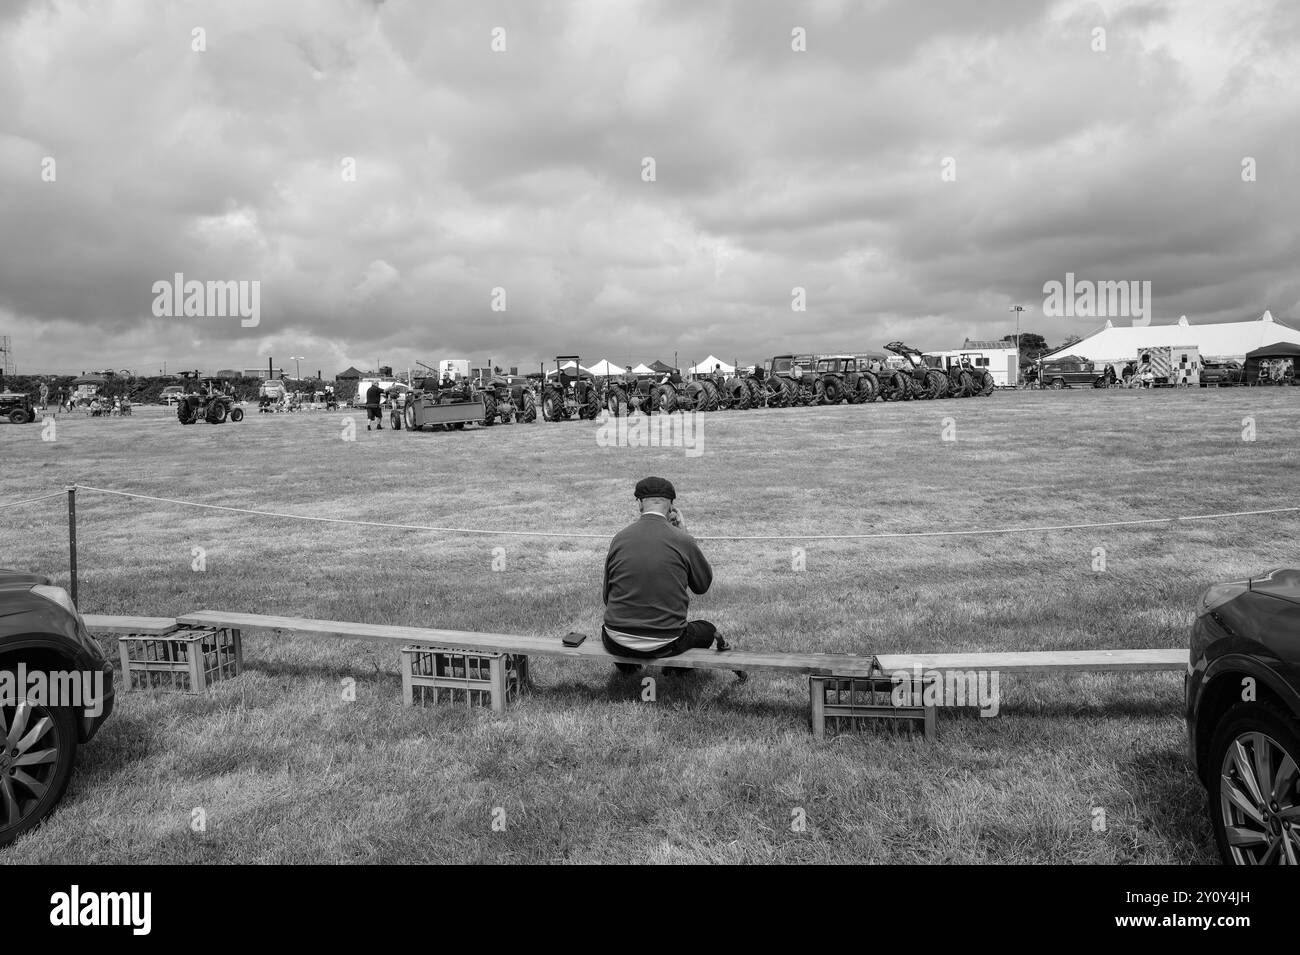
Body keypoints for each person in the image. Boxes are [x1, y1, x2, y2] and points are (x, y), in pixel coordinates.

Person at [601, 476, 738, 678]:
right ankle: (674, 670)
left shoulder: (619, 538)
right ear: (672, 505)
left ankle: (629, 668)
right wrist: (685, 533)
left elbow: (607, 597)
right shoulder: (681, 539)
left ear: (639, 504)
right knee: (707, 630)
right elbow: (702, 585)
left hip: (616, 639)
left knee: (619, 633)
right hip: (666, 641)